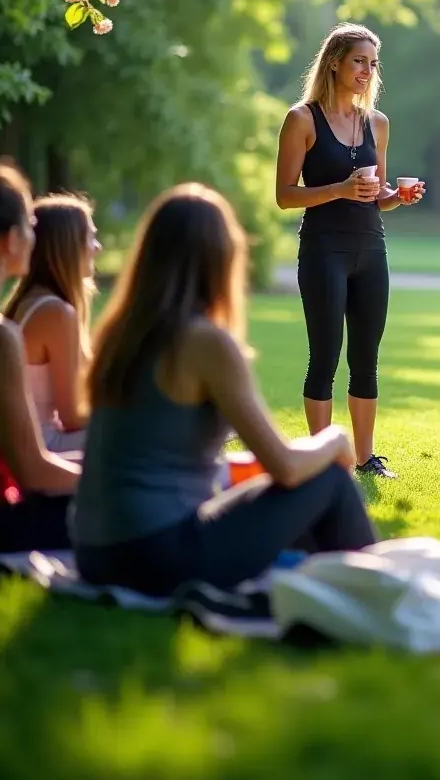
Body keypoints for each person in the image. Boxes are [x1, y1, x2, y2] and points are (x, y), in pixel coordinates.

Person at [72, 184, 376, 596]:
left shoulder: (119, 333)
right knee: (329, 483)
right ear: (220, 258)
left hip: (94, 552)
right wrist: (336, 439)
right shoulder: (204, 342)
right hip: (154, 555)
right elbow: (285, 466)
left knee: (287, 494)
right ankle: (383, 598)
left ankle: (337, 584)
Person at [275, 22, 425, 479]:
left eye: (372, 63)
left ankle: (365, 458)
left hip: (370, 248)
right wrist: (339, 188)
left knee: (366, 357)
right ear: (335, 62)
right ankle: (322, 462)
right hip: (323, 249)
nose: (366, 71)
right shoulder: (302, 119)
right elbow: (284, 195)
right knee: (324, 357)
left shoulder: (377, 123)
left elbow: (374, 194)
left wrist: (396, 198)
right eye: (359, 61)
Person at [0, 160, 80, 553]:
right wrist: (110, 482)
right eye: (29, 223)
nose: (35, 234)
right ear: (8, 241)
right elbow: (33, 472)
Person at [4, 195, 101, 453]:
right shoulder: (56, 313)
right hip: (46, 447)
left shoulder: (31, 300)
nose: (98, 247)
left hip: (34, 442)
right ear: (67, 245)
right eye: (91, 237)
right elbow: (72, 418)